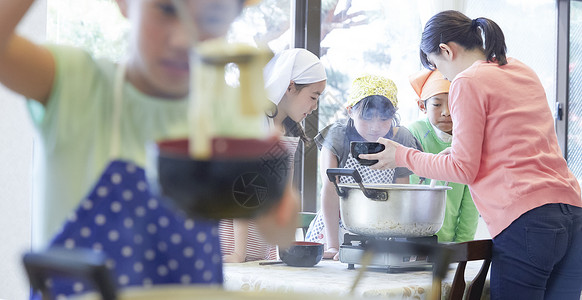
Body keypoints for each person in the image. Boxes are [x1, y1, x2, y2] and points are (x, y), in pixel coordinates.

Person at [0, 0, 299, 295]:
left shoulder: (227, 115)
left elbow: (276, 228)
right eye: (167, 9)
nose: (184, 38)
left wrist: (277, 206)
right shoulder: (78, 85)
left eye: (211, 16)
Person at [360, 10, 582, 300]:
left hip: (527, 221)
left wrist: (403, 156)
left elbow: (462, 168)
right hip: (573, 212)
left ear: (445, 50)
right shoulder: (521, 70)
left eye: (437, 66)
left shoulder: (468, 81)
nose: (444, 77)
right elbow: (501, 145)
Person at [220, 48, 327, 263]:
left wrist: (280, 251)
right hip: (233, 240)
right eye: (313, 97)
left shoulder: (290, 131)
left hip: (262, 241)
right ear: (290, 87)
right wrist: (239, 253)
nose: (315, 107)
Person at [305, 74, 422, 260]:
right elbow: (330, 191)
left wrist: (399, 245)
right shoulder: (338, 136)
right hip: (335, 226)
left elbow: (401, 196)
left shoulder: (401, 139)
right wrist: (334, 246)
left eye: (384, 118)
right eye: (367, 117)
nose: (375, 127)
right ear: (350, 110)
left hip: (381, 228)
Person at [408, 68, 479, 242]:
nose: (446, 111)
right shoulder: (414, 133)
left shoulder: (470, 138)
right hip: (414, 237)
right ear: (422, 106)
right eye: (437, 104)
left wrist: (463, 243)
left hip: (449, 241)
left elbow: (471, 201)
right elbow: (410, 187)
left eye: (454, 103)